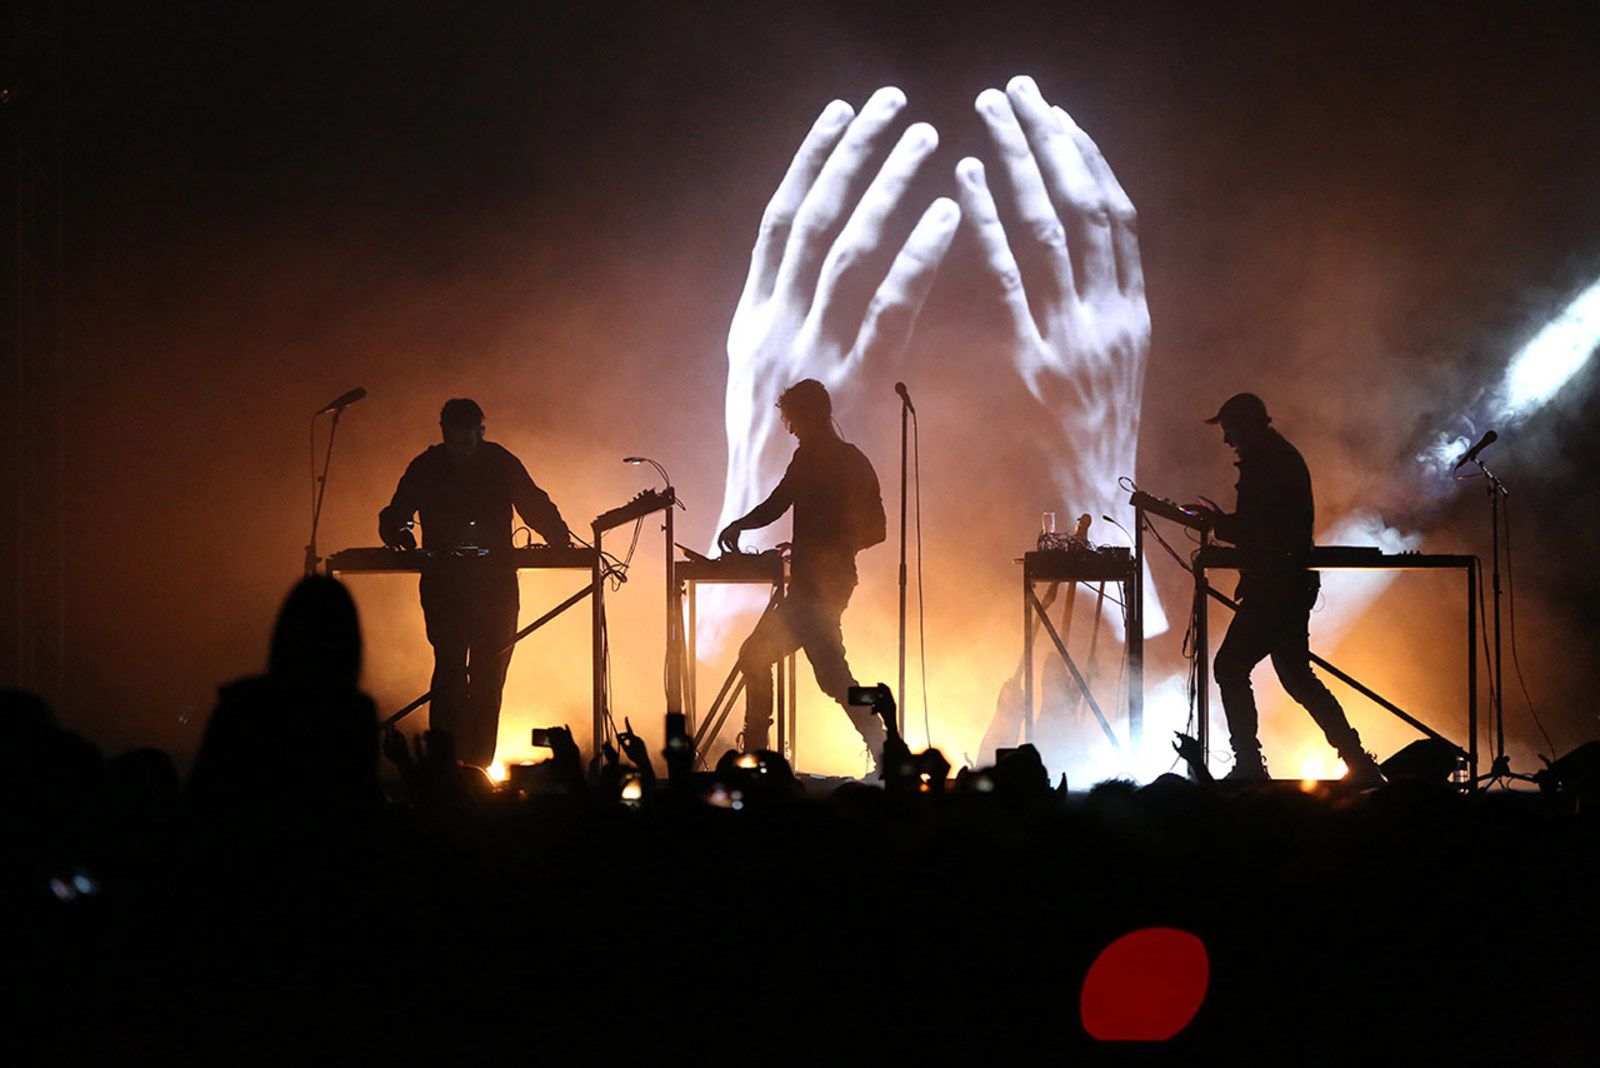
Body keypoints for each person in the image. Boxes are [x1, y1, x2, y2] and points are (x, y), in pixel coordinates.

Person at [1191, 393, 1383, 785]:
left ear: (1247, 424)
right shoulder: (1280, 457)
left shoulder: (1267, 464)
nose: (1227, 440)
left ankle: (1249, 764)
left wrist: (1217, 523)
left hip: (1275, 586)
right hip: (1288, 584)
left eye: (1230, 430)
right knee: (1297, 677)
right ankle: (1357, 760)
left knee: (1230, 666)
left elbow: (1257, 531)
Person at [378, 399, 571, 769]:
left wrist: (559, 536)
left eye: (466, 442)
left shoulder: (500, 462)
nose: (460, 450)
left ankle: (476, 769)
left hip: (492, 588)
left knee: (487, 679)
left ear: (481, 433)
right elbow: (396, 512)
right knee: (450, 674)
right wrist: (397, 532)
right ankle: (449, 769)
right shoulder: (427, 466)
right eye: (453, 442)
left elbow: (534, 502)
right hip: (447, 588)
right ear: (443, 433)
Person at [718, 379, 888, 770]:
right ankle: (881, 741)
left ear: (809, 416)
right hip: (830, 582)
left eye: (792, 419)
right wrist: (830, 544)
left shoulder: (812, 458)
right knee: (831, 675)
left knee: (758, 657)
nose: (789, 428)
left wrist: (739, 525)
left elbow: (778, 503)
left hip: (819, 587)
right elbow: (876, 529)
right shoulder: (854, 460)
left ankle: (757, 759)